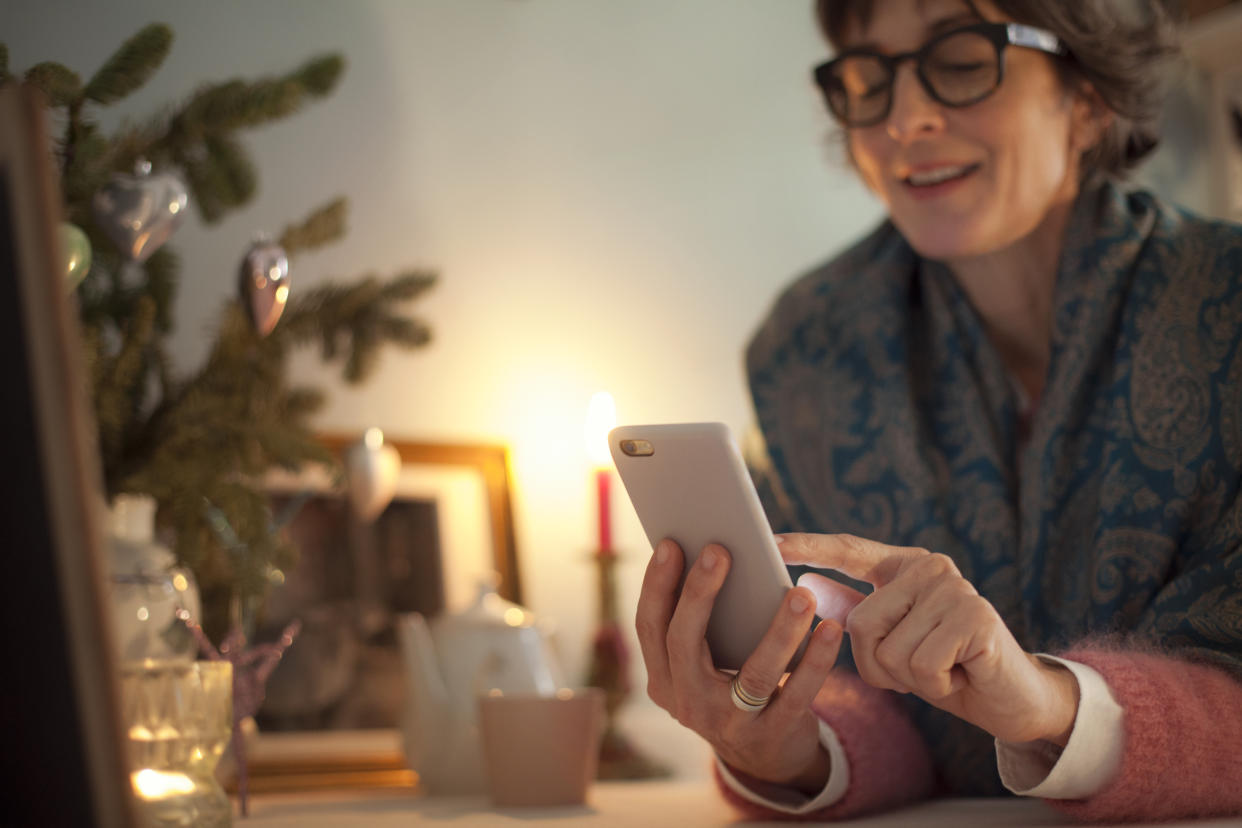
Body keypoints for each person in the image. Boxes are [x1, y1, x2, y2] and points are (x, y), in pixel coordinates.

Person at [635, 0, 1242, 822]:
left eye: (961, 61)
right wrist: (787, 749)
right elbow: (856, 697)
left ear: (1089, 94)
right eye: (867, 79)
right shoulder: (806, 352)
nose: (905, 119)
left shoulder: (1226, 309)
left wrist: (1047, 705)